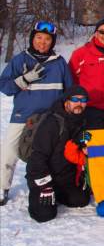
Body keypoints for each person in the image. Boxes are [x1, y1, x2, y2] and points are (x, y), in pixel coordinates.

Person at [0, 21, 72, 206]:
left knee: (51, 153)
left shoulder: (59, 62)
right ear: (33, 38)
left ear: (52, 42)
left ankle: (51, 184)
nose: (42, 42)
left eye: (47, 39)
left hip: (50, 117)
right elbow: (4, 87)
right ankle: (2, 187)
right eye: (39, 37)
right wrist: (23, 80)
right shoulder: (20, 59)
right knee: (9, 151)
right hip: (23, 115)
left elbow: (69, 90)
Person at [25, 85, 91, 222]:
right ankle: (41, 193)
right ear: (66, 101)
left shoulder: (82, 121)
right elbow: (37, 157)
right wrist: (44, 185)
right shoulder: (53, 122)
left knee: (81, 200)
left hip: (64, 177)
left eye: (83, 100)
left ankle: (59, 193)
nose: (79, 104)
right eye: (75, 99)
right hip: (44, 175)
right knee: (44, 215)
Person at [68, 18, 104, 130]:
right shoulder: (80, 53)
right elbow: (70, 80)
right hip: (88, 107)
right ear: (96, 33)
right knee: (88, 142)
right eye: (102, 32)